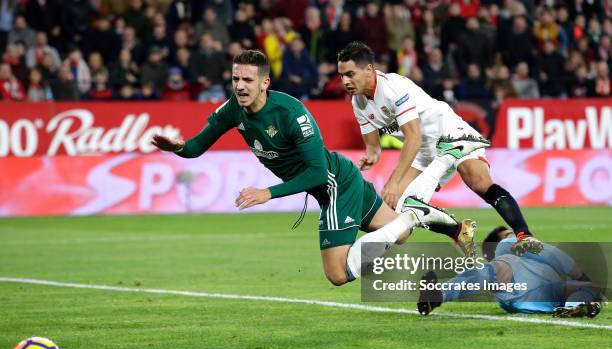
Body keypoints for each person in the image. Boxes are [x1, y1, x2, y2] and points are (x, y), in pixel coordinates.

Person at [151, 50, 457, 286]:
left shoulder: (291, 113)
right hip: (331, 185)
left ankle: (418, 210)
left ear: (264, 82)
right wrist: (177, 148)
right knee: (399, 234)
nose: (240, 86)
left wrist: (267, 193)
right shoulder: (233, 108)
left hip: (335, 182)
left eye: (248, 80)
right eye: (235, 79)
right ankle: (432, 220)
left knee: (337, 273)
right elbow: (195, 147)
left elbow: (317, 173)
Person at [337, 41, 542, 258]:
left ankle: (524, 235)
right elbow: (373, 147)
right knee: (399, 229)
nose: (345, 81)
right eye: (341, 76)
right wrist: (370, 158)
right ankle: (458, 230)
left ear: (368, 69)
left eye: (350, 74)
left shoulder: (392, 87)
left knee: (478, 181)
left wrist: (394, 182)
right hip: (424, 151)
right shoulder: (358, 102)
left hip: (451, 133)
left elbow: (413, 137)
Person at [417, 226, 603, 318]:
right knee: (500, 268)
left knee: (590, 288)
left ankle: (574, 307)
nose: (513, 236)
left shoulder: (520, 260)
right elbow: (553, 254)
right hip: (526, 286)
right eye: (507, 234)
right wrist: (580, 275)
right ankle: (578, 303)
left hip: (531, 298)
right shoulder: (506, 248)